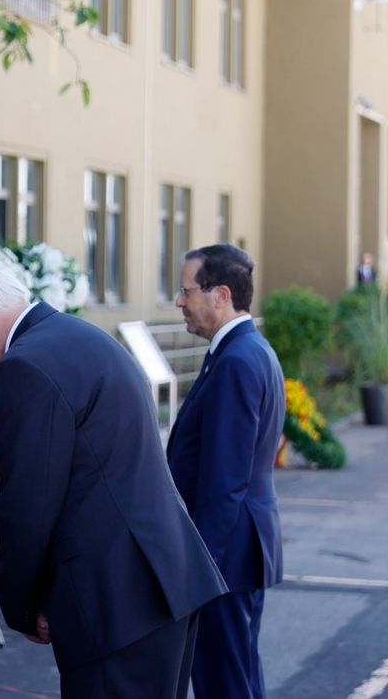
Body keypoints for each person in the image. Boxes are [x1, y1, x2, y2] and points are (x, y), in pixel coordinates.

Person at [0, 260, 226, 699]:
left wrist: (22, 605)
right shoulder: (78, 336)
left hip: (114, 603)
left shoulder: (23, 368)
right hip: (161, 581)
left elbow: (28, 507)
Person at [167, 244, 286, 699]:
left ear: (220, 295)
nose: (179, 301)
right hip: (237, 549)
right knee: (236, 675)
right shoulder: (245, 349)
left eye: (186, 290)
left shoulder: (237, 359)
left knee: (225, 682)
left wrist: (201, 566)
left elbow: (225, 479)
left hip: (225, 554)